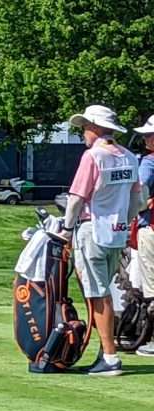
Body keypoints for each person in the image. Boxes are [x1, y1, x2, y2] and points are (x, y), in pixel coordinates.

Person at [60, 105, 143, 376]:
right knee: (102, 291)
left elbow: (76, 199)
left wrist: (66, 229)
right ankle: (105, 350)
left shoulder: (92, 156)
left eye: (85, 126)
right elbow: (137, 200)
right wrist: (124, 221)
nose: (83, 131)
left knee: (98, 295)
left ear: (95, 128)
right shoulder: (129, 157)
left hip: (92, 230)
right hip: (116, 233)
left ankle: (109, 356)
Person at [132, 116, 154, 356]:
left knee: (153, 287)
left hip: (152, 227)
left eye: (150, 135)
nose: (146, 138)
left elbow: (140, 192)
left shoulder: (149, 163)